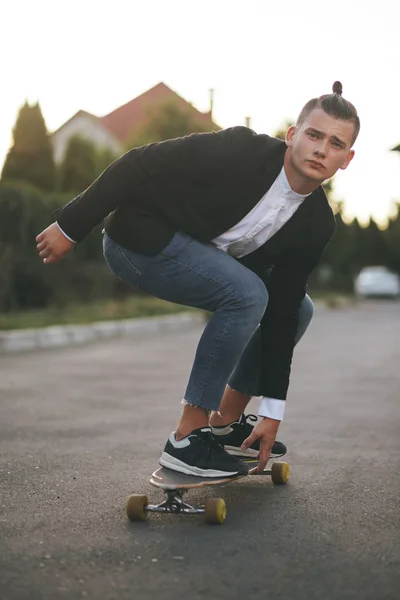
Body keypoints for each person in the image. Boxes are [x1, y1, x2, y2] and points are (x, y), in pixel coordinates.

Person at [36, 81, 359, 477]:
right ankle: (187, 439)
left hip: (201, 255)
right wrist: (71, 226)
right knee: (248, 293)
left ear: (347, 159)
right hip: (138, 241)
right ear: (292, 135)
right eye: (314, 135)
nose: (322, 149)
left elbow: (284, 315)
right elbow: (138, 162)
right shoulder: (243, 151)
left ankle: (224, 424)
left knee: (299, 307)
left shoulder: (315, 223)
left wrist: (273, 410)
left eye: (336, 144)